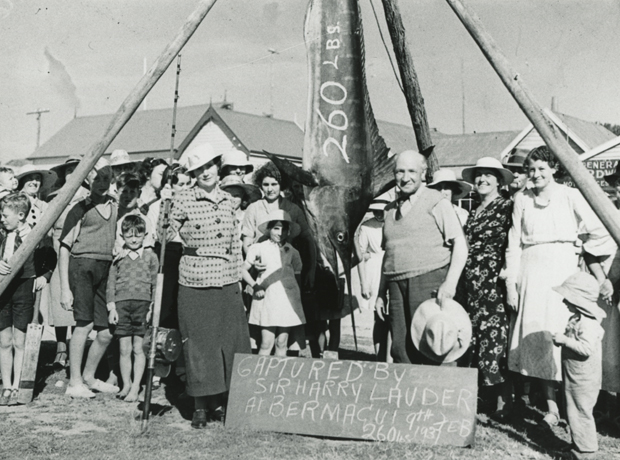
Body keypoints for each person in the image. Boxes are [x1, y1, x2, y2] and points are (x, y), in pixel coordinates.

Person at [504, 146, 612, 428]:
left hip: (561, 269)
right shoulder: (521, 199)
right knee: (538, 336)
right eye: (531, 169)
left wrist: (578, 248)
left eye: (542, 168)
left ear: (553, 168)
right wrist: (511, 285)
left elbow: (600, 230)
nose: (536, 174)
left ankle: (573, 407)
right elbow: (513, 244)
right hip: (529, 268)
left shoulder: (569, 195)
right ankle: (550, 407)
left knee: (563, 333)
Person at [168, 143, 250, 428]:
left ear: (218, 167)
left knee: (228, 343)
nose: (206, 172)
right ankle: (200, 405)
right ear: (193, 173)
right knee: (200, 345)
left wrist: (238, 280)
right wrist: (166, 206)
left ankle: (221, 402)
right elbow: (164, 236)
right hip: (194, 280)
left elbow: (236, 246)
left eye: (210, 166)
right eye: (199, 168)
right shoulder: (183, 199)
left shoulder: (229, 201)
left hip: (227, 281)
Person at [375, 150, 468, 365]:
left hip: (429, 280)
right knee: (400, 349)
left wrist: (450, 283)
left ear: (423, 173)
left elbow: (460, 245)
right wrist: (381, 293)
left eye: (411, 171)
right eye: (399, 171)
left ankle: (438, 397)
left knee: (433, 345)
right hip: (396, 285)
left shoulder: (436, 202)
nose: (405, 177)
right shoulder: (389, 211)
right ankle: (410, 396)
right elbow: (388, 254)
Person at [458, 157, 514, 417]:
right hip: (471, 283)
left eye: (488, 175)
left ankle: (503, 401)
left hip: (494, 283)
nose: (482, 179)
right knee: (476, 339)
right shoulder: (473, 210)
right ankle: (482, 397)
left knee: (495, 339)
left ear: (499, 181)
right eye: (478, 175)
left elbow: (514, 243)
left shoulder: (507, 206)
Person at [59, 158, 119, 398]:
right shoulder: (79, 208)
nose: (102, 183)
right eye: (97, 178)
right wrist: (65, 288)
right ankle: (74, 383)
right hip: (82, 267)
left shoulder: (116, 207)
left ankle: (89, 376)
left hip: (107, 269)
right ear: (86, 179)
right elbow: (64, 247)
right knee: (84, 324)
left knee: (106, 331)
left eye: (106, 178)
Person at [0, 193, 54, 405]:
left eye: (5, 215)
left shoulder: (35, 236)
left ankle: (19, 385)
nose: (2, 219)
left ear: (20, 215)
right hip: (3, 290)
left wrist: (44, 276)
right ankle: (7, 385)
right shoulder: (1, 235)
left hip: (24, 288)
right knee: (4, 340)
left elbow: (51, 257)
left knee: (19, 340)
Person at [552, 272, 606, 458]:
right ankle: (578, 444)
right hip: (574, 376)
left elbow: (586, 349)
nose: (564, 302)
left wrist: (565, 341)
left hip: (584, 379)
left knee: (581, 412)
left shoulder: (588, 324)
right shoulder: (577, 319)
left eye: (567, 298)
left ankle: (586, 451)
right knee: (572, 410)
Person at [107, 215, 158, 402]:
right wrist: (112, 308)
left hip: (143, 306)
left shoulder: (150, 257)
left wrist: (152, 307)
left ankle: (136, 386)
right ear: (123, 236)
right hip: (122, 306)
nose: (134, 239)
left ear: (145, 235)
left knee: (139, 348)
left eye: (138, 235)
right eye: (129, 236)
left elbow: (155, 284)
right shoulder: (118, 257)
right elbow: (111, 284)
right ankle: (126, 383)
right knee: (124, 349)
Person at [241, 210, 305, 356]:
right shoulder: (259, 248)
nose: (280, 232)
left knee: (282, 342)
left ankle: (276, 378)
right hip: (267, 299)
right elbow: (243, 270)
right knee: (266, 343)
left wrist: (297, 301)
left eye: (284, 229)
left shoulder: (293, 252)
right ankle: (260, 377)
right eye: (276, 228)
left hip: (287, 301)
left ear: (289, 232)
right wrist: (255, 285)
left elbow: (297, 277)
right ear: (269, 229)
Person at [46, 156, 85, 368]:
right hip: (59, 255)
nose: (73, 174)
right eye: (69, 170)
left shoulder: (89, 197)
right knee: (60, 302)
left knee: (78, 303)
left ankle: (76, 349)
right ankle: (61, 347)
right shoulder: (55, 198)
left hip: (80, 256)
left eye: (77, 169)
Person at [146, 164, 191, 330]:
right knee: (165, 300)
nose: (185, 188)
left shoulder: (192, 205)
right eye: (180, 184)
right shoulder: (157, 206)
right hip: (166, 253)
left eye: (188, 184)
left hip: (186, 254)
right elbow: (154, 237)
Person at [357, 198, 390, 361]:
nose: (378, 214)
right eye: (375, 210)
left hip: (393, 267)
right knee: (379, 317)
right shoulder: (366, 226)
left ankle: (392, 358)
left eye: (381, 210)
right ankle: (379, 357)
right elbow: (360, 256)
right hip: (375, 272)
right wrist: (364, 283)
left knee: (395, 317)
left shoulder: (396, 221)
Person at [114, 172, 155, 255]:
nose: (128, 196)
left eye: (132, 192)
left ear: (139, 194)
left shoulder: (144, 220)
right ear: (116, 193)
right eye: (124, 191)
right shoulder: (112, 215)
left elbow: (148, 249)